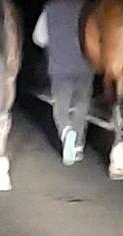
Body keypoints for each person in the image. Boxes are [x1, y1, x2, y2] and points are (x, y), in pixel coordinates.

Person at [32, 0, 95, 166]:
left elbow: (39, 38)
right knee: (82, 105)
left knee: (61, 105)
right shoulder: (88, 7)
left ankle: (67, 133)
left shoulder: (51, 8)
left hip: (60, 65)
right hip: (86, 64)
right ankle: (79, 144)